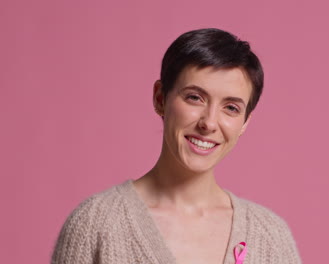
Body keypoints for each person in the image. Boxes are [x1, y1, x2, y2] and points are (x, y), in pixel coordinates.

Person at [51, 28, 301, 264]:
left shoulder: (271, 237)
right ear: (160, 98)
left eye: (231, 108)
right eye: (195, 97)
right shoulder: (94, 224)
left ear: (245, 121)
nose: (209, 123)